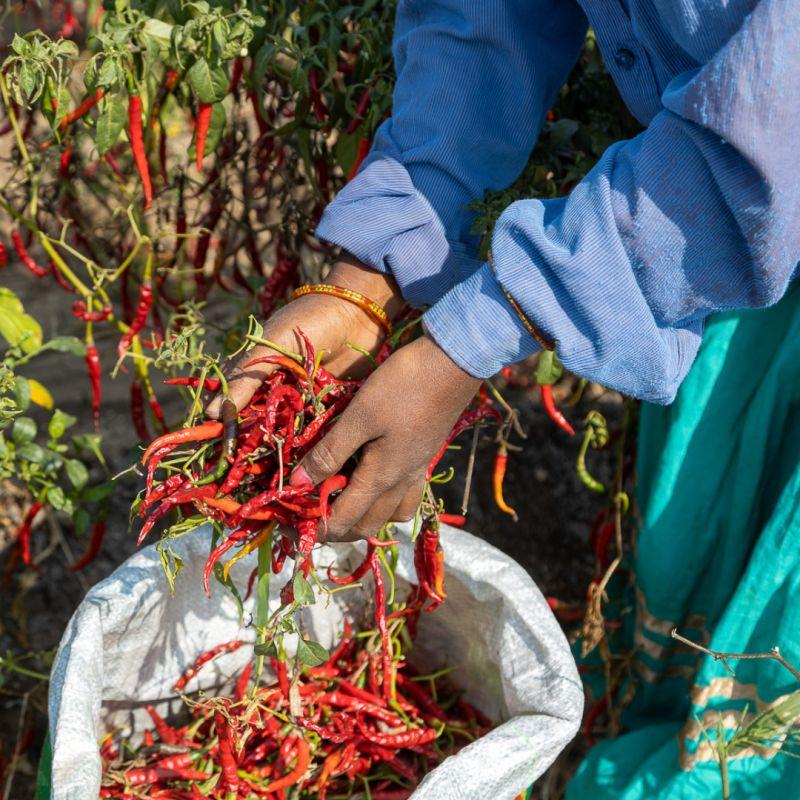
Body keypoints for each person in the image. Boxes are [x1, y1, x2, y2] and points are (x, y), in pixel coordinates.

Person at [209, 2, 800, 797]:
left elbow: (773, 116)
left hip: (734, 206)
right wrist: (371, 271)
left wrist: (476, 337)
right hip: (725, 247)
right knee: (716, 571)